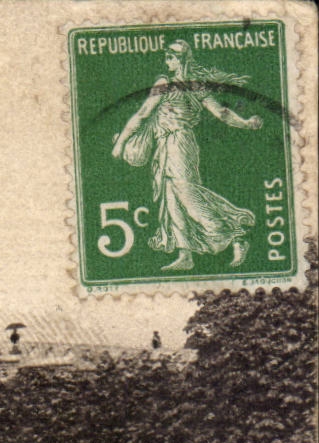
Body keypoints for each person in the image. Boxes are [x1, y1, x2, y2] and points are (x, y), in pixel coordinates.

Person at [111, 39, 261, 272]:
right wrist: (247, 123)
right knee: (172, 199)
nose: (167, 61)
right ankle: (185, 255)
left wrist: (246, 123)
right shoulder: (183, 85)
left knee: (187, 194)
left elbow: (221, 113)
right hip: (165, 145)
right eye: (166, 57)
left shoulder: (176, 85)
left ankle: (235, 235)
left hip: (179, 143)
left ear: (181, 60)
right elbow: (143, 113)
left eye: (170, 57)